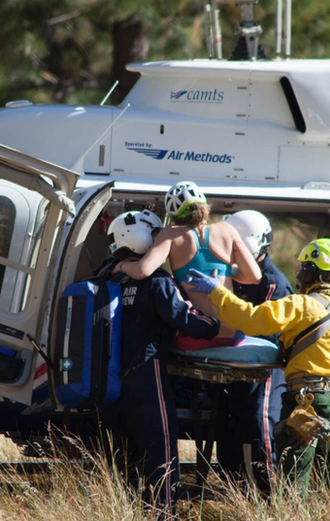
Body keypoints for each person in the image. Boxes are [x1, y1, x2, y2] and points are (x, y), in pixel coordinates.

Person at [185, 238, 330, 505]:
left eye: (303, 267)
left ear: (313, 271)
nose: (299, 272)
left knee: (293, 482)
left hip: (310, 403)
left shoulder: (301, 304)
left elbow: (251, 319)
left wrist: (216, 291)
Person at [96, 209, 222, 514]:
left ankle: (127, 511)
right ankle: (162, 513)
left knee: (125, 456)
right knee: (160, 449)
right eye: (154, 237)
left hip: (110, 383)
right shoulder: (156, 281)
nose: (158, 245)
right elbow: (186, 320)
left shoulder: (106, 277)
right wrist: (215, 324)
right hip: (147, 377)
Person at [116, 181, 261, 340]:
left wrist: (121, 265)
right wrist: (223, 273)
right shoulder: (227, 229)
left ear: (173, 215)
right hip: (233, 334)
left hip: (202, 335)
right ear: (204, 205)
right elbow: (254, 276)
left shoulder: (171, 234)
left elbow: (142, 271)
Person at [215, 210, 293, 493]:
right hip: (234, 367)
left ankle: (270, 494)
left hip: (265, 368)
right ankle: (236, 491)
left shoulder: (273, 283)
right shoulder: (231, 274)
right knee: (229, 427)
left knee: (261, 426)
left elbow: (268, 331)